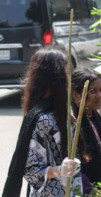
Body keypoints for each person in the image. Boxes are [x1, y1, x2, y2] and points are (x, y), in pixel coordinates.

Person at [3, 49, 81, 197]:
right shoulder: (44, 119)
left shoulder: (65, 110)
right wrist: (59, 170)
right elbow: (31, 171)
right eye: (66, 70)